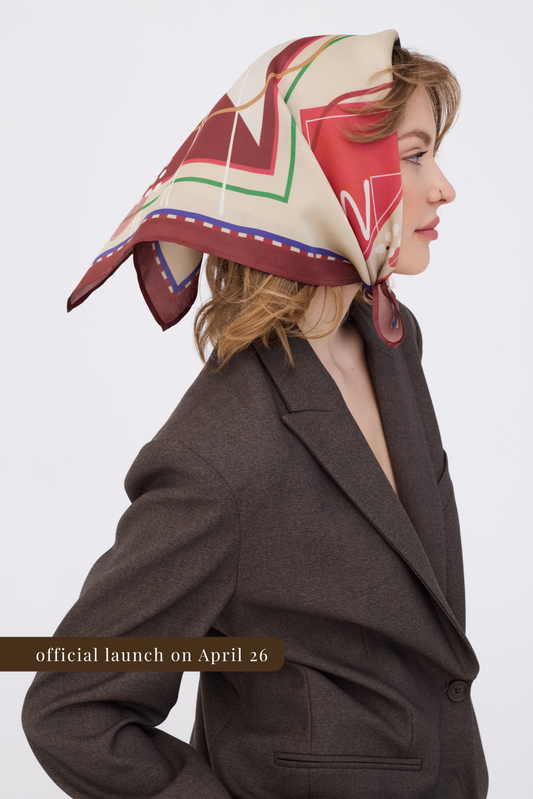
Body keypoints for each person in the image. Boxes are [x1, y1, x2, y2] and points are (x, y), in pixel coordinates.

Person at [22, 31, 489, 799]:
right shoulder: (221, 449)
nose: (442, 186)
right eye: (412, 155)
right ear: (327, 174)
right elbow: (70, 706)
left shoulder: (391, 344)